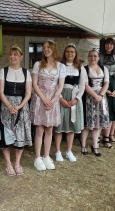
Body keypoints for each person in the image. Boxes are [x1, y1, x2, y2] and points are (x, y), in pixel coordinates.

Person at [0, 44, 32, 176]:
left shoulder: (26, 72)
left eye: (15, 54)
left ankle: (17, 163)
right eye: (11, 54)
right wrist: (10, 106)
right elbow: (0, 91)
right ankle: (8, 164)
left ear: (21, 57)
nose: (13, 56)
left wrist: (19, 106)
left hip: (21, 107)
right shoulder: (3, 71)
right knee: (6, 134)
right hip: (6, 106)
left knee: (19, 135)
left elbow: (28, 93)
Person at [31, 40, 66, 171]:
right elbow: (34, 84)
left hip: (53, 99)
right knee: (39, 129)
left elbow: (60, 85)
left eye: (48, 47)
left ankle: (46, 156)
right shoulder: (38, 64)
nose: (46, 49)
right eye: (44, 47)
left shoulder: (61, 66)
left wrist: (53, 99)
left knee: (49, 129)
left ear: (53, 49)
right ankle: (38, 157)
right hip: (40, 98)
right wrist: (44, 98)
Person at [54, 43, 87, 161]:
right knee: (59, 124)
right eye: (68, 51)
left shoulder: (80, 67)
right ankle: (58, 151)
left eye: (72, 52)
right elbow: (56, 84)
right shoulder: (59, 66)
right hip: (61, 96)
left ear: (75, 53)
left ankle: (69, 151)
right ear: (65, 53)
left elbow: (82, 86)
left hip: (74, 97)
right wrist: (61, 98)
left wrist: (76, 99)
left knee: (71, 126)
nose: (70, 53)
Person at [81, 49, 110, 156]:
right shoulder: (84, 69)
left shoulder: (104, 68)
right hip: (89, 97)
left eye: (95, 56)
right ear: (88, 57)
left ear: (98, 58)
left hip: (101, 97)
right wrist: (95, 96)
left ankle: (95, 146)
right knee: (87, 123)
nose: (92, 58)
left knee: (98, 123)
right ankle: (83, 145)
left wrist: (101, 95)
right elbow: (85, 85)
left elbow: (106, 83)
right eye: (90, 56)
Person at [99, 37, 115, 144]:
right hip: (102, 84)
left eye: (111, 44)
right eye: (107, 44)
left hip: (114, 84)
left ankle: (109, 135)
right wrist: (105, 89)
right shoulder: (100, 57)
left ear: (114, 46)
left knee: (113, 110)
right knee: (103, 110)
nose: (109, 46)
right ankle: (100, 135)